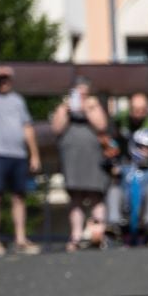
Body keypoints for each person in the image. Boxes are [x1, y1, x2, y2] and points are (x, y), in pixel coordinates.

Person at [0, 66, 42, 256]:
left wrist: (34, 154)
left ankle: (20, 238)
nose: (3, 83)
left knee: (19, 196)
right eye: (0, 80)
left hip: (18, 154)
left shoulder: (18, 101)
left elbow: (27, 127)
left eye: (6, 79)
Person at [51, 78, 110, 252]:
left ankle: (98, 233)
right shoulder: (65, 106)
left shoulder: (93, 104)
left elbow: (102, 125)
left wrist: (87, 108)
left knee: (95, 195)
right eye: (78, 93)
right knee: (75, 197)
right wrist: (65, 110)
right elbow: (56, 128)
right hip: (72, 157)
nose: (81, 96)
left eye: (84, 92)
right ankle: (76, 236)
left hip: (92, 157)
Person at [107, 127, 148, 247]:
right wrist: (113, 167)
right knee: (114, 190)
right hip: (126, 208)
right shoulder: (125, 165)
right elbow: (107, 166)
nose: (147, 151)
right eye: (144, 148)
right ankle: (114, 224)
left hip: (145, 209)